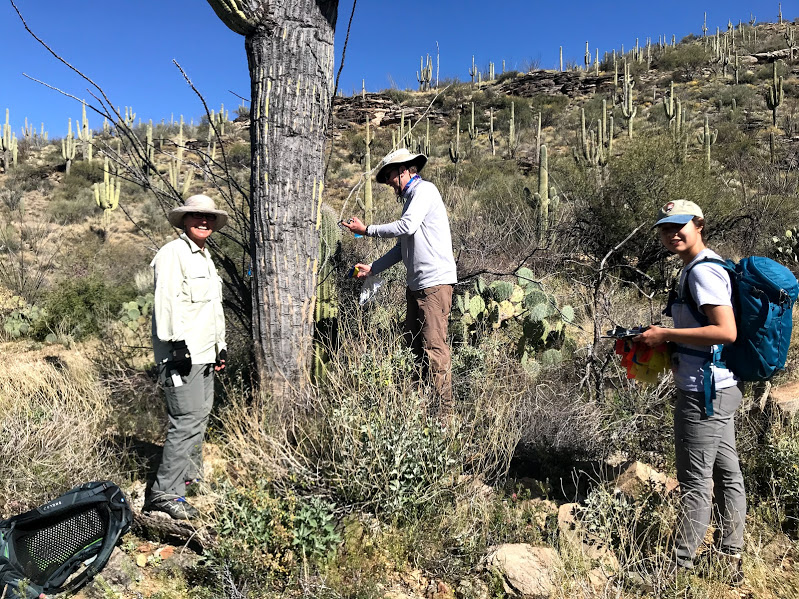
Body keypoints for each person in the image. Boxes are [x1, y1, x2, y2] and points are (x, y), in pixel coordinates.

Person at [636, 200, 745, 582]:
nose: (672, 233)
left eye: (680, 226)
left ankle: (677, 569)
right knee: (726, 473)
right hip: (721, 386)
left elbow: (725, 331)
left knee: (696, 482)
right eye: (666, 228)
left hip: (704, 393)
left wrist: (665, 334)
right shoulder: (700, 267)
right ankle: (731, 557)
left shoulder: (702, 272)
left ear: (699, 224)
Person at [342, 148, 458, 416]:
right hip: (417, 286)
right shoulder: (411, 200)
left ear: (405, 169)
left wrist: (367, 230)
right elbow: (401, 248)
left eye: (390, 175)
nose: (390, 181)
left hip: (434, 285)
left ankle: (444, 418)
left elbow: (405, 227)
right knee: (415, 347)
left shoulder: (424, 191)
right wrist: (373, 268)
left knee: (434, 349)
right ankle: (421, 411)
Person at [145, 194, 228, 520]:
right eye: (196, 216)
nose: (203, 222)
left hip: (204, 353)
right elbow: (165, 301)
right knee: (185, 421)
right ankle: (164, 494)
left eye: (208, 218)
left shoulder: (205, 258)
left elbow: (211, 309)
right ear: (184, 220)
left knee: (200, 416)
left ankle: (191, 481)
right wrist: (176, 345)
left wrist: (219, 346)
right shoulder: (173, 254)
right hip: (182, 355)